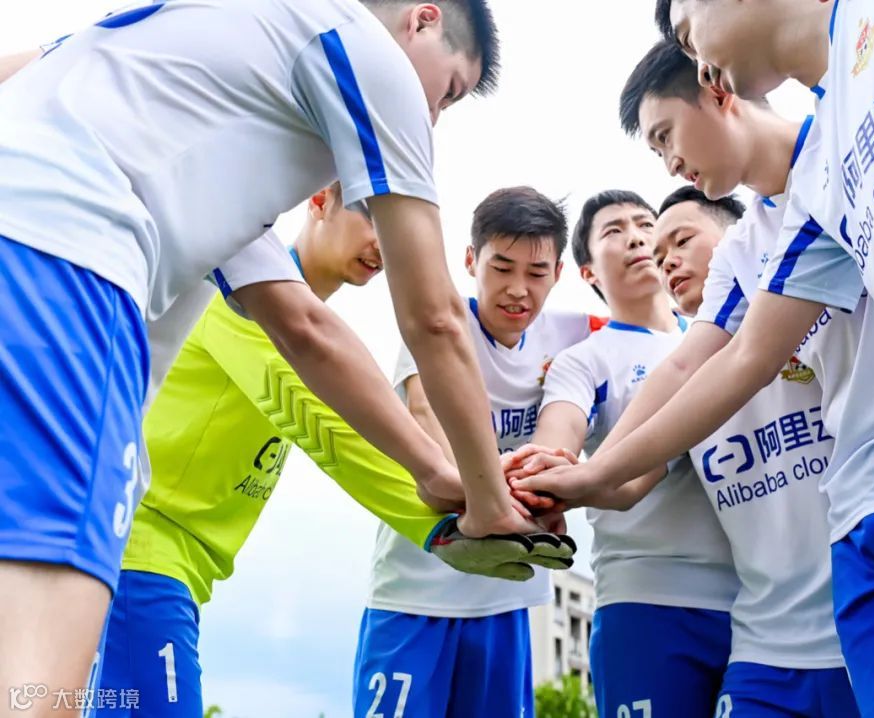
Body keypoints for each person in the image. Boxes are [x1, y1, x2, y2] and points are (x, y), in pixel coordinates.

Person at [0, 1, 562, 705]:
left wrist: (440, 474)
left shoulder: (197, 133)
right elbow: (430, 320)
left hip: (42, 270)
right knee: (40, 663)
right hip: (65, 271)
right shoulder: (356, 44)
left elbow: (307, 329)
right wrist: (476, 503)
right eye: (445, 93)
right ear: (421, 21)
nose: (429, 121)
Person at [520, 38, 874, 717]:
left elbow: (750, 357)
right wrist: (587, 473)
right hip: (857, 525)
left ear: (716, 85)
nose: (669, 163)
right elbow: (688, 363)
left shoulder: (848, 148)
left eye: (665, 136)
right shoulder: (747, 251)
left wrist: (596, 475)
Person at [92, 184, 546, 717]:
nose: (382, 243)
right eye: (370, 217)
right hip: (141, 553)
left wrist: (480, 485)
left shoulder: (316, 336)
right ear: (321, 199)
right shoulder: (238, 295)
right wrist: (440, 521)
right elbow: (323, 423)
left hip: (175, 571)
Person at [353, 186, 597, 718]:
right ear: (471, 261)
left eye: (536, 273)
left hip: (505, 600)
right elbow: (426, 417)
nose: (518, 290)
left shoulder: (574, 335)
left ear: (559, 273)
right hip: (415, 592)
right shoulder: (441, 326)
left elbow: (648, 333)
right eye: (501, 268)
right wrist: (487, 490)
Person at [514, 190, 739, 718]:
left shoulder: (730, 335)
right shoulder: (584, 360)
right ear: (588, 272)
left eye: (645, 225)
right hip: (646, 605)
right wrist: (547, 474)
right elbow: (554, 444)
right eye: (614, 231)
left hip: (757, 605)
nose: (637, 237)